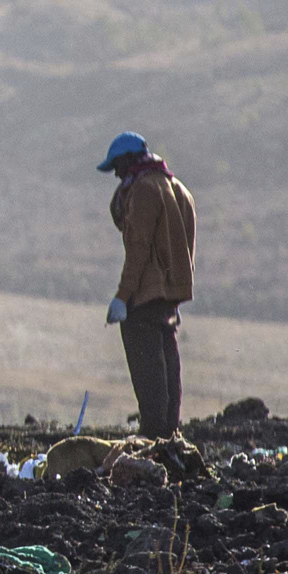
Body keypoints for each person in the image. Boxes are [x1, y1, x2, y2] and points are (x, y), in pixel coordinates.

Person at [100, 131, 196, 438]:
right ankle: (169, 432)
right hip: (168, 295)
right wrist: (174, 296)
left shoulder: (143, 190)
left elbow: (138, 249)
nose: (116, 173)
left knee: (148, 370)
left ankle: (153, 434)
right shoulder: (179, 189)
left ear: (129, 160)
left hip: (145, 295)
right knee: (169, 362)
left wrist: (122, 296)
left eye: (117, 165)